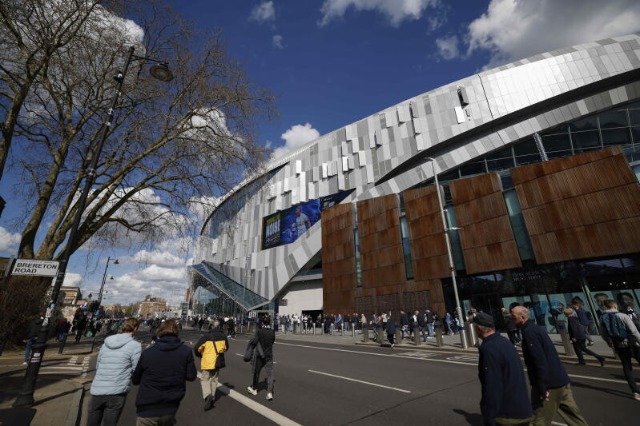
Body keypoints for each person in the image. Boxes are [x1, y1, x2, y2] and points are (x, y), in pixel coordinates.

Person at [511, 306, 588, 425]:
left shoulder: (529, 332)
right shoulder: (536, 329)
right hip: (561, 381)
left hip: (549, 385)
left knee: (539, 420)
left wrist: (542, 386)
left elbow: (538, 360)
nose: (512, 319)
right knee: (575, 418)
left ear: (522, 317)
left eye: (513, 316)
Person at [132, 319, 197, 424]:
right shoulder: (186, 351)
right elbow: (191, 376)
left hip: (147, 407)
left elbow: (135, 379)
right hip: (170, 406)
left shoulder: (148, 353)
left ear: (160, 332)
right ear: (177, 332)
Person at [473, 312, 532, 426]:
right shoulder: (505, 342)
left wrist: (489, 415)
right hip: (521, 406)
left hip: (506, 413)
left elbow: (492, 385)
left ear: (478, 329)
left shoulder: (489, 349)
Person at [87, 318, 141, 426]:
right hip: (117, 390)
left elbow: (98, 364)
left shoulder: (107, 342)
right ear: (135, 328)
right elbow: (137, 369)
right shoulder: (135, 346)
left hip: (98, 389)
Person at [599, 299, 640, 400]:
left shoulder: (602, 317)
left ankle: (635, 391)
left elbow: (603, 333)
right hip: (632, 343)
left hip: (619, 345)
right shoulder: (622, 315)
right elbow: (634, 331)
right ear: (615, 306)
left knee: (627, 367)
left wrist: (609, 342)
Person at [194, 318, 229, 411]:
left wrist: (199, 354)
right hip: (217, 361)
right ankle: (212, 397)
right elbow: (226, 348)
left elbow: (197, 347)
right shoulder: (223, 336)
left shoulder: (207, 336)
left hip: (207, 361)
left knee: (204, 378)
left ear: (212, 326)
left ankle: (207, 395)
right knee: (214, 379)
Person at [247, 316, 276, 400]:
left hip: (260, 355)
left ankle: (254, 389)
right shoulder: (272, 332)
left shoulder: (259, 331)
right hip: (269, 355)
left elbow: (255, 341)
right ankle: (270, 393)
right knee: (270, 374)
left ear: (262, 322)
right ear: (269, 322)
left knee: (257, 372)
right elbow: (272, 341)